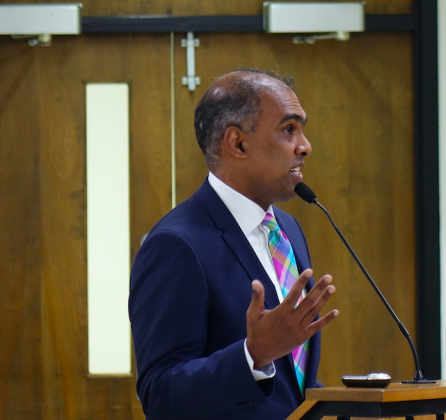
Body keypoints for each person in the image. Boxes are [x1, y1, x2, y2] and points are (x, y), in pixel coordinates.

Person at [129, 69, 339, 420]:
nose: (306, 146)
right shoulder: (175, 244)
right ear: (237, 143)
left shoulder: (287, 230)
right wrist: (251, 357)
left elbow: (291, 384)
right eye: (289, 129)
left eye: (302, 129)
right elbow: (160, 396)